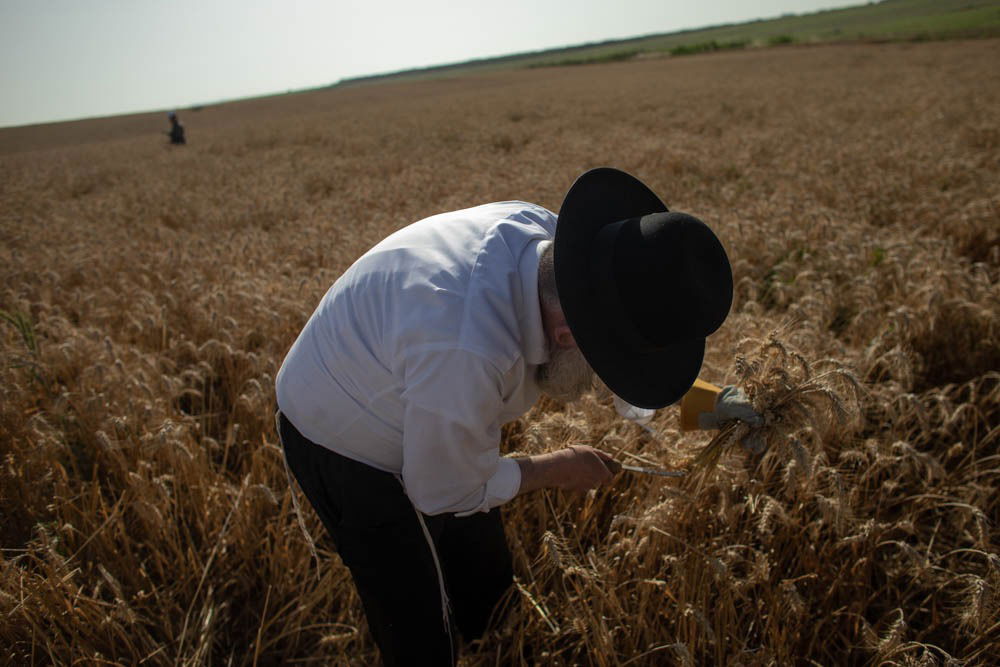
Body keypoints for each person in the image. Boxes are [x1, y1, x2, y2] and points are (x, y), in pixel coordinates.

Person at [275, 167, 760, 666]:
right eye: (612, 362)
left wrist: (711, 404)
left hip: (417, 375)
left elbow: (621, 357)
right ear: (572, 336)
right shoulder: (468, 349)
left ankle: (492, 638)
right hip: (338, 429)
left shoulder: (561, 254)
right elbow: (440, 491)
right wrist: (555, 468)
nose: (607, 377)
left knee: (483, 572)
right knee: (416, 614)